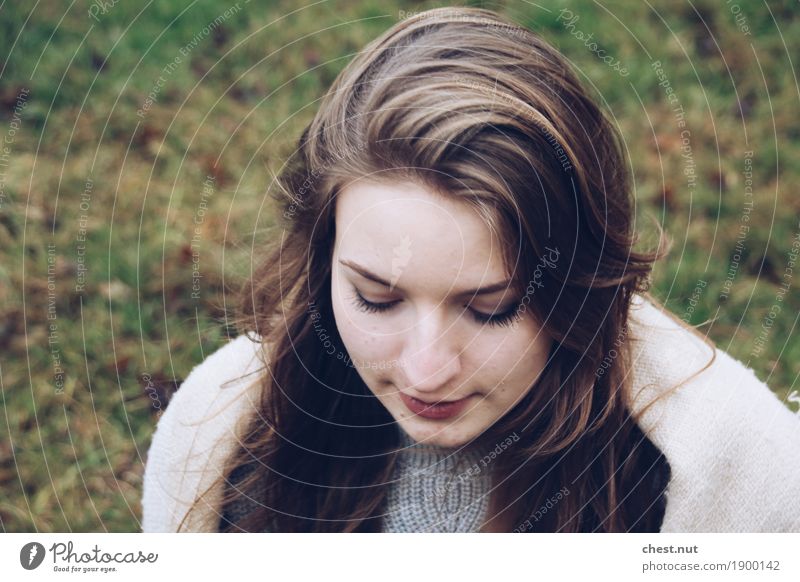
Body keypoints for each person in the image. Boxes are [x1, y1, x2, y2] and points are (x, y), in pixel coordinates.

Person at [141, 6, 800, 533]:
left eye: (492, 308)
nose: (428, 372)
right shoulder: (224, 441)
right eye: (376, 298)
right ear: (323, 261)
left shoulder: (730, 480)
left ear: (573, 285)